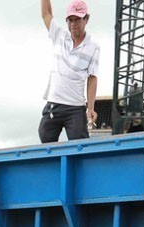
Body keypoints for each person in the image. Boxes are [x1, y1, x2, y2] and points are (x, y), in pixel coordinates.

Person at [38, 0, 100, 143]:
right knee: (44, 134)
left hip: (75, 107)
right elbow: (46, 14)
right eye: (70, 20)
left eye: (77, 20)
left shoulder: (93, 47)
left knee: (80, 144)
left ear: (86, 19)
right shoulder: (59, 36)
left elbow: (92, 78)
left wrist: (90, 108)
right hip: (54, 103)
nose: (73, 24)